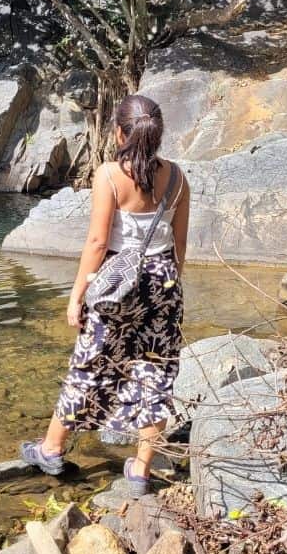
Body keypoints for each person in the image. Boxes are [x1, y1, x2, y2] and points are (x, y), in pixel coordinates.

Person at [19, 94, 190, 497]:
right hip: (163, 281)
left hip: (117, 282)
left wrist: (76, 294)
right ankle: (141, 470)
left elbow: (97, 242)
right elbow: (179, 244)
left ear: (119, 132)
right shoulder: (179, 178)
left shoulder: (110, 175)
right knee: (156, 371)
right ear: (157, 133)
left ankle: (52, 448)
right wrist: (165, 290)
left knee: (91, 363)